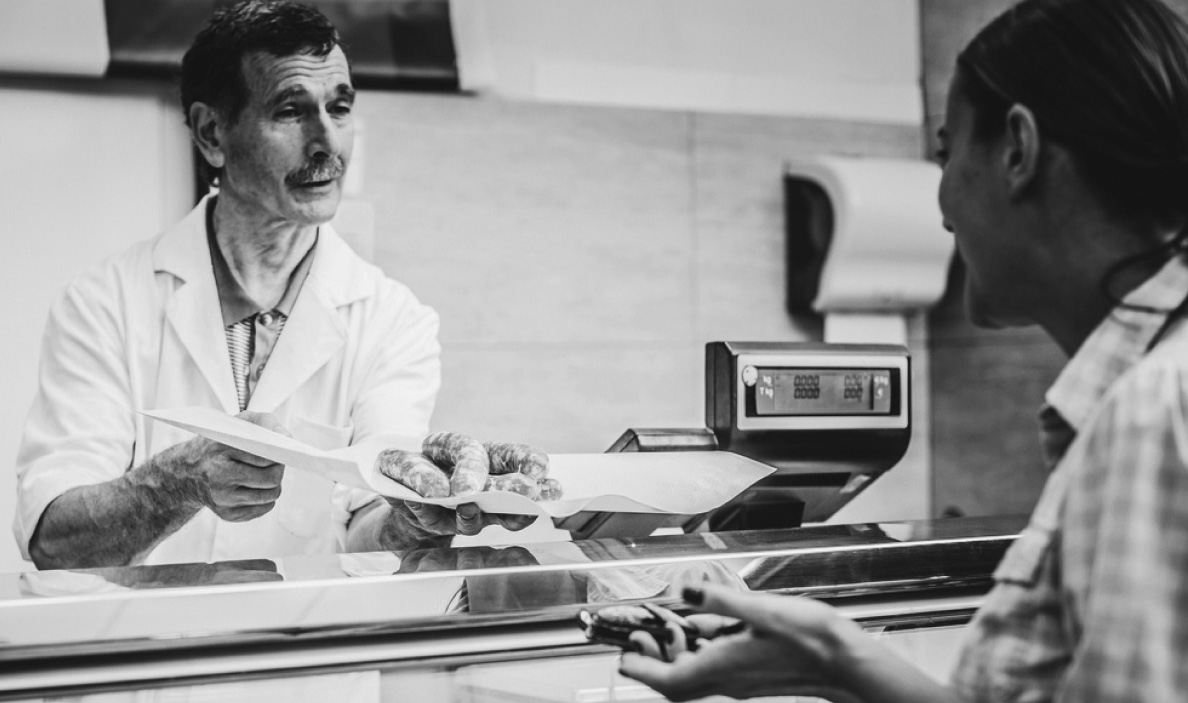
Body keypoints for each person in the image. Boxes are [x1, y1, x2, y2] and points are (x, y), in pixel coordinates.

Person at [620, 0, 1188, 700]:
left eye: (946, 155)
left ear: (1018, 150)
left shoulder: (1155, 409)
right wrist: (832, 657)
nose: (941, 207)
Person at [13, 0, 530, 570]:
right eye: (291, 110)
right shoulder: (104, 304)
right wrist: (173, 485)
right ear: (213, 133)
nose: (328, 143)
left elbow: (365, 526)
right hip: (153, 651)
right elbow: (53, 542)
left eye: (340, 107)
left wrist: (412, 522)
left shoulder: (394, 320)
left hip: (310, 655)